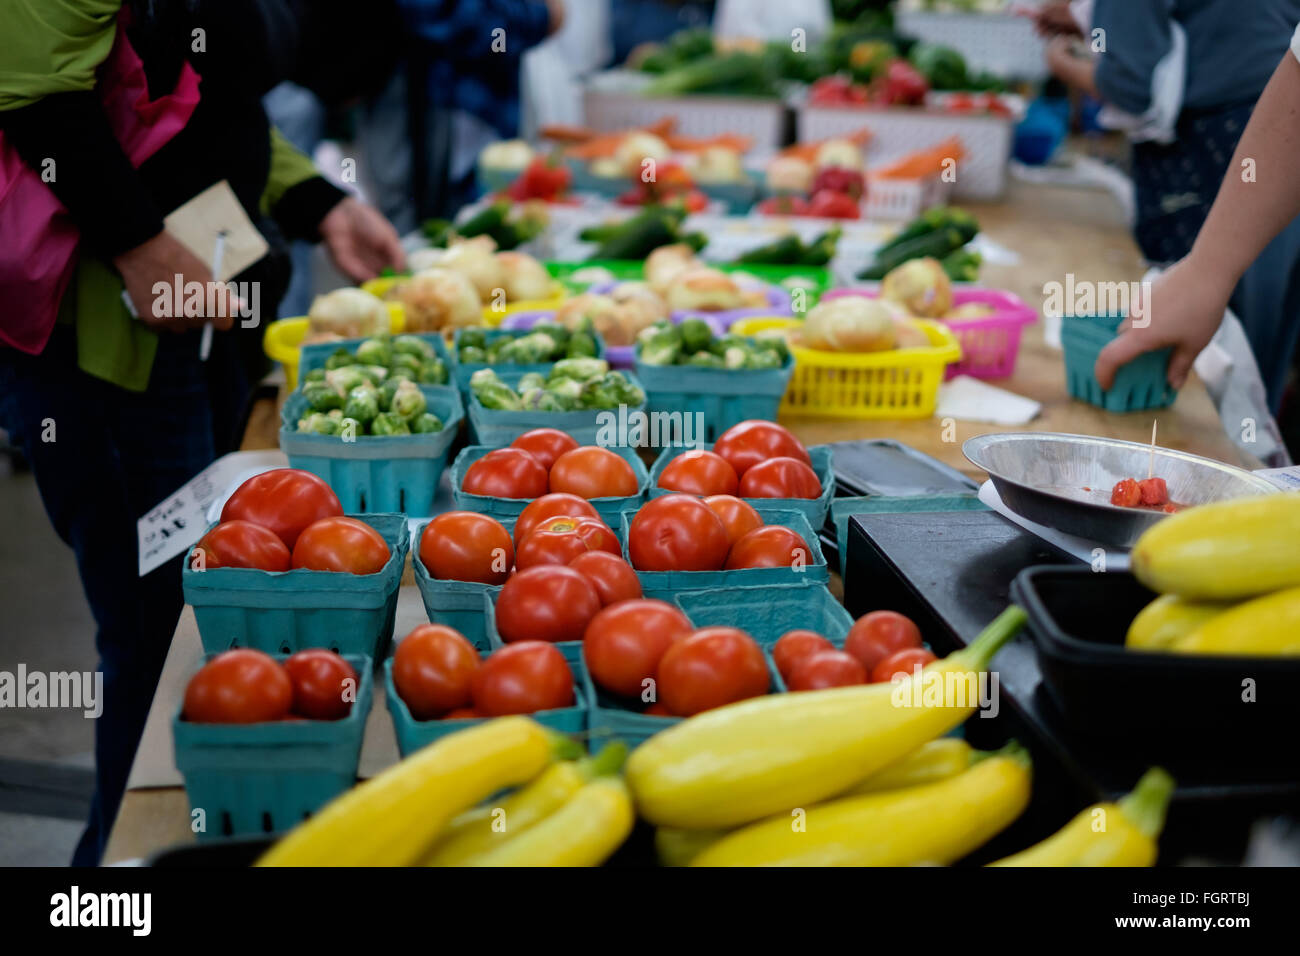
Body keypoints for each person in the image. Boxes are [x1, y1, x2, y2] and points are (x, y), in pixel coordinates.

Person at [0, 0, 404, 865]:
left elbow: (198, 101)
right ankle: (112, 886)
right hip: (111, 352)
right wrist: (142, 245)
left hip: (200, 321)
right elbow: (32, 90)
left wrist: (312, 197)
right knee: (155, 645)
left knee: (189, 631)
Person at [1038, 0, 1300, 415]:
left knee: (1217, 392)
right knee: (1259, 373)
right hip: (1275, 156)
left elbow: (1131, 86)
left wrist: (1063, 64)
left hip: (1230, 158)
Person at [361, 0, 564, 231]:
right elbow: (459, 22)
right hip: (424, 125)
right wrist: (543, 15)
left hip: (483, 121)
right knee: (421, 244)